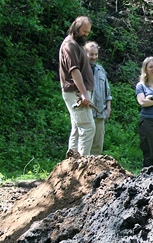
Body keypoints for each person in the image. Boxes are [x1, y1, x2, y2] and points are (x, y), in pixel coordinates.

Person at [59, 16, 95, 157]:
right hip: (76, 92)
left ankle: (71, 166)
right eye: (84, 31)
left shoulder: (76, 44)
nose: (86, 34)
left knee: (77, 128)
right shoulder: (70, 45)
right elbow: (74, 71)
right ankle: (81, 166)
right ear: (75, 27)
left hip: (78, 92)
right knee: (87, 128)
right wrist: (84, 93)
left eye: (88, 32)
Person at [84, 41, 112, 156]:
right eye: (91, 54)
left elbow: (107, 91)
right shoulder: (81, 70)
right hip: (86, 113)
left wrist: (108, 108)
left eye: (96, 54)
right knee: (85, 144)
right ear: (85, 54)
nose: (94, 57)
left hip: (100, 113)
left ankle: (95, 172)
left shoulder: (101, 70)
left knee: (97, 146)